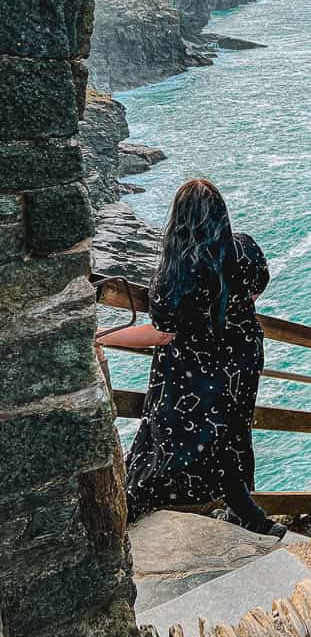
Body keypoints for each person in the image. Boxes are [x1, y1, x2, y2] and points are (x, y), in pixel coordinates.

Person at [98, 178, 285, 538]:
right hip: (241, 358)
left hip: (194, 369)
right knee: (231, 433)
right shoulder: (244, 249)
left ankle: (131, 504)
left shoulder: (176, 273)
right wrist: (229, 313)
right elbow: (257, 286)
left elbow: (163, 332)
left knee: (167, 436)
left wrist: (103, 336)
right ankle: (247, 513)